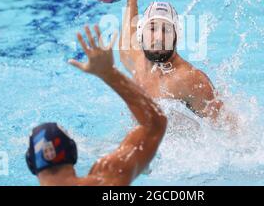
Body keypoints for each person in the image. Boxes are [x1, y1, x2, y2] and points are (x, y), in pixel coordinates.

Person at [26, 25, 167, 186]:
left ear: (31, 163)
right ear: (73, 152)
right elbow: (154, 125)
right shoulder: (107, 181)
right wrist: (108, 73)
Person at [117, 0, 236, 125]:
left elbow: (228, 128)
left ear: (176, 37)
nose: (158, 37)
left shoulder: (189, 79)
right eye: (152, 29)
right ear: (140, 34)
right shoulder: (134, 59)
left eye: (166, 30)